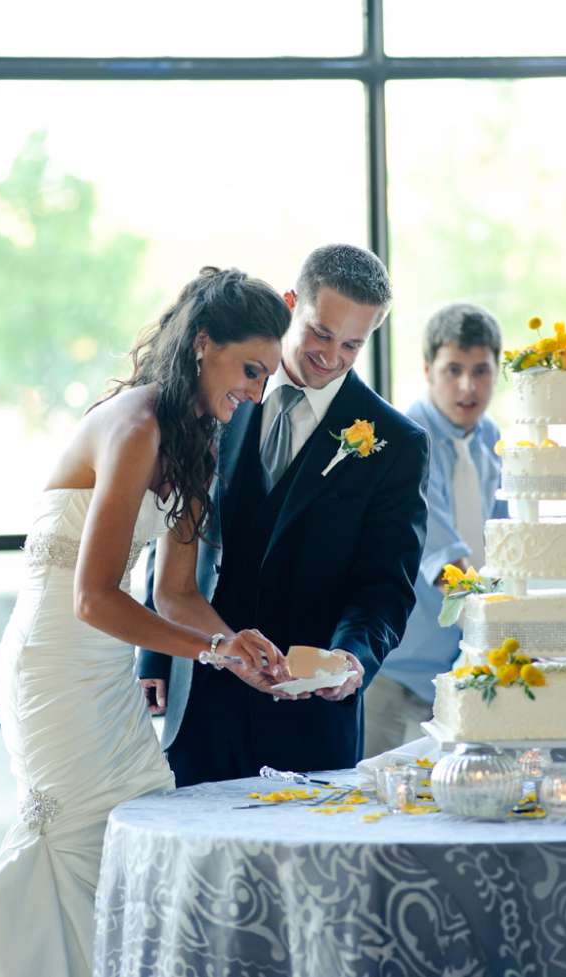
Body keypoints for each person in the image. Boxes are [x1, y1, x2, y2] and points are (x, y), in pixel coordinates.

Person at [0, 267, 292, 977]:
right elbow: (93, 597)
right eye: (250, 370)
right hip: (54, 666)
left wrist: (235, 646)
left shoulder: (194, 443)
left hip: (106, 674)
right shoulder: (137, 426)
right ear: (204, 344)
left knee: (134, 846)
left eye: (266, 377)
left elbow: (173, 593)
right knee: (76, 847)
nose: (257, 392)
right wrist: (211, 651)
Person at [138, 244, 430, 785]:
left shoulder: (397, 443)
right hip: (202, 688)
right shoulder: (217, 392)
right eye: (321, 333)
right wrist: (153, 654)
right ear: (292, 303)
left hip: (308, 713)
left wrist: (352, 660)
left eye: (352, 344)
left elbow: (384, 585)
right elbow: (171, 525)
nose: (332, 356)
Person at [363, 301, 507, 756]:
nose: (468, 386)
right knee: (369, 809)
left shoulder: (490, 439)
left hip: (455, 677)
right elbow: (450, 572)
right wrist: (507, 634)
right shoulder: (409, 441)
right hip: (392, 671)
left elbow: (508, 548)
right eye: (453, 370)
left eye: (481, 370)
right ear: (427, 370)